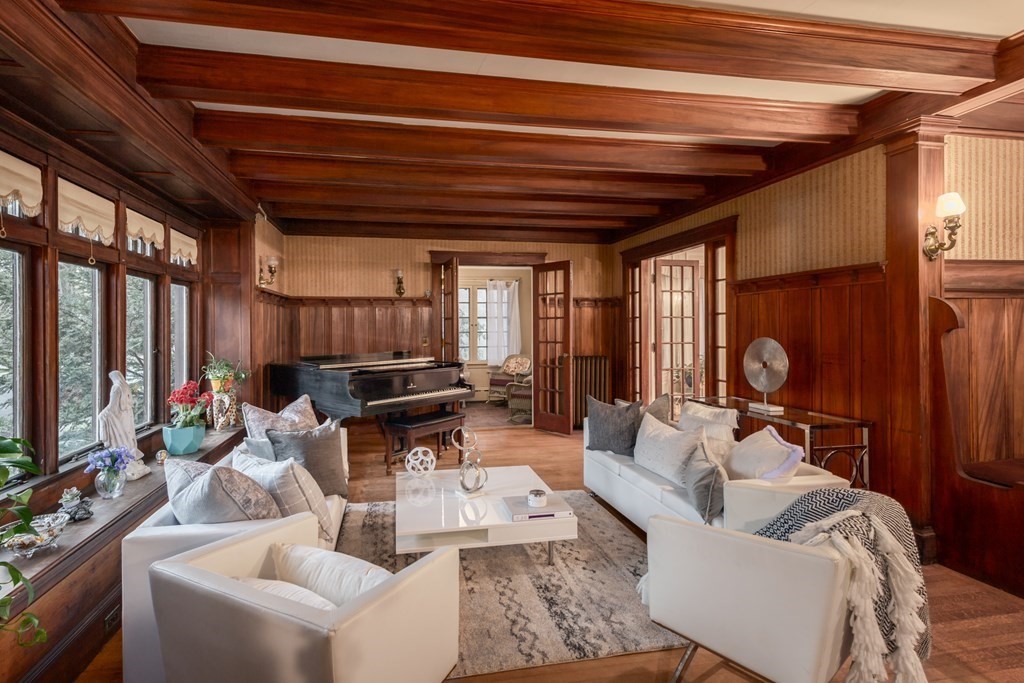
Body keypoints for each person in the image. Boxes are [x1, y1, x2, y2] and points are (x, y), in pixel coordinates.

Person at [97, 370, 151, 480]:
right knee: (126, 441)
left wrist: (102, 415)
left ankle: (126, 463)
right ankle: (128, 462)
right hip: (125, 418)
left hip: (118, 421)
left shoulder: (116, 388)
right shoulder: (125, 386)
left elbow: (112, 408)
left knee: (121, 442)